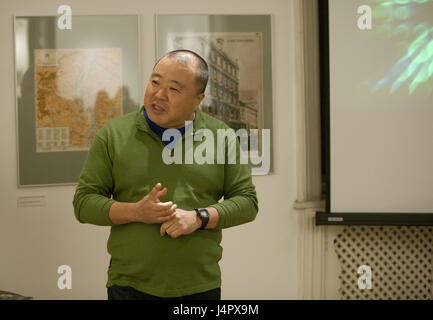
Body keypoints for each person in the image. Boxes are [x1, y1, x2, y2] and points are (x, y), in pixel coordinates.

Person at [72, 49, 258, 300]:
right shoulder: (113, 134)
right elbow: (83, 204)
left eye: (174, 89)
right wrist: (136, 212)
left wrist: (199, 217)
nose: (158, 95)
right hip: (129, 285)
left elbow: (247, 202)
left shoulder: (221, 137)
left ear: (198, 99)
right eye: (155, 82)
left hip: (198, 286)